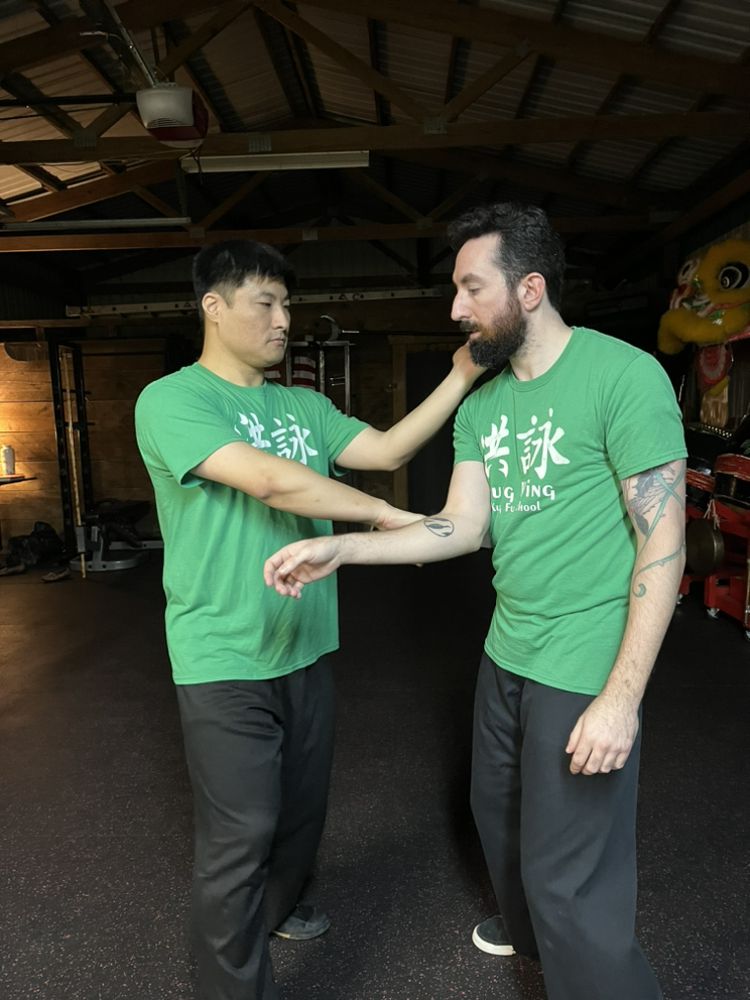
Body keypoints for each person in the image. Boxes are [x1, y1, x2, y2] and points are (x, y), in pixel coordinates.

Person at [265, 203, 687, 1000]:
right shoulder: (485, 405)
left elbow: (662, 545)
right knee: (497, 815)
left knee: (570, 879)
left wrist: (620, 698)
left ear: (530, 289)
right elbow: (461, 526)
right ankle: (536, 942)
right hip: (507, 653)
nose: (456, 309)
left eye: (471, 288)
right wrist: (345, 547)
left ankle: (586, 964)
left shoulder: (622, 376)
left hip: (583, 658)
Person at [134, 239, 483, 1000]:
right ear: (214, 306)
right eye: (266, 302)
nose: (284, 320)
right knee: (240, 837)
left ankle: (283, 906)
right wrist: (389, 519)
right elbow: (270, 481)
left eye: (287, 304)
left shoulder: (303, 407)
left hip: (306, 645)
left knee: (300, 814)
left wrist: (460, 373)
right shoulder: (172, 400)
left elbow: (386, 448)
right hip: (223, 655)